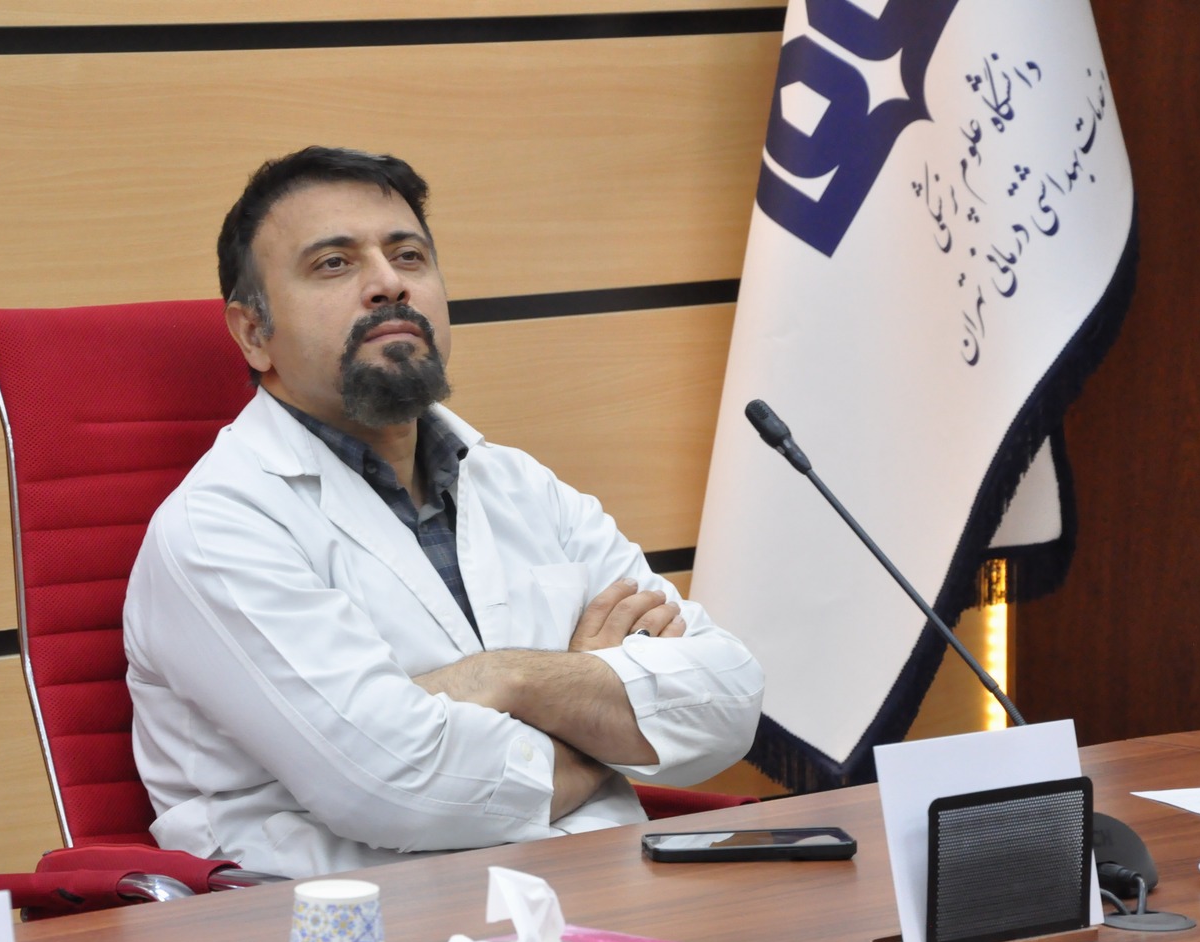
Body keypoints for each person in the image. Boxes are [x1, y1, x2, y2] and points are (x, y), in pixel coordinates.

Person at [124, 146, 763, 878]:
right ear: (252, 333)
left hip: (609, 894)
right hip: (359, 926)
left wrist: (510, 678)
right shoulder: (218, 528)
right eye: (334, 263)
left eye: (408, 255)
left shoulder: (520, 485)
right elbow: (396, 786)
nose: (389, 283)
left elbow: (729, 699)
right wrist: (599, 717)